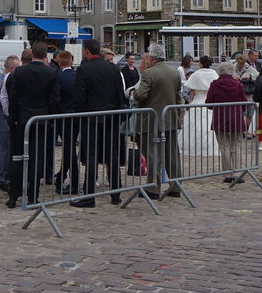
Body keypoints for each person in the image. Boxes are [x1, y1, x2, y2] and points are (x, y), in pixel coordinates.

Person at [71, 39, 128, 207]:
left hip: (91, 117)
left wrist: (80, 115)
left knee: (91, 156)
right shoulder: (113, 68)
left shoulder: (83, 69)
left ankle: (89, 196)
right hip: (111, 117)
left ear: (87, 51)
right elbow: (120, 94)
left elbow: (80, 98)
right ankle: (116, 194)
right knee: (113, 155)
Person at [6, 42, 60, 207]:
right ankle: (32, 196)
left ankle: (13, 196)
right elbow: (54, 100)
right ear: (45, 56)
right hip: (41, 120)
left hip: (22, 119)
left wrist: (14, 117)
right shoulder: (51, 73)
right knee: (37, 159)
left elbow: (13, 97)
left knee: (18, 158)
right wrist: (51, 119)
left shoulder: (20, 72)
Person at [133, 43, 182, 198]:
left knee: (153, 154)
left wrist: (133, 93)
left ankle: (153, 188)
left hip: (152, 119)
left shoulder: (149, 73)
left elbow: (142, 95)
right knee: (172, 154)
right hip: (170, 118)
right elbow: (178, 95)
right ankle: (175, 186)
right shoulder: (174, 73)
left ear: (152, 58)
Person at [205, 61, 248, 183]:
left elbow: (209, 102)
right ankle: (238, 172)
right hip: (236, 117)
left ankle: (227, 174)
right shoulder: (237, 84)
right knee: (237, 145)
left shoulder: (215, 85)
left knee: (224, 146)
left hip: (220, 117)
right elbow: (244, 101)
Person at [52, 50, 81, 195]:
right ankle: (62, 176)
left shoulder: (58, 77)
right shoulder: (77, 76)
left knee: (69, 150)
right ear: (71, 61)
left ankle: (73, 182)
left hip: (62, 117)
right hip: (76, 117)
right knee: (69, 149)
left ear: (59, 62)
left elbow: (55, 98)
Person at [0, 55, 18, 192]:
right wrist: (2, 89)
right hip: (1, 119)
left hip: (10, 119)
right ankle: (3, 178)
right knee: (3, 150)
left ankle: (8, 174)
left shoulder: (14, 79)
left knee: (9, 149)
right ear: (11, 68)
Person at [183, 55, 218, 158]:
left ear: (201, 64)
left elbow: (192, 91)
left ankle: (192, 147)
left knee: (195, 124)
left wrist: (189, 102)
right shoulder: (214, 74)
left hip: (198, 101)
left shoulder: (196, 74)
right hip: (210, 101)